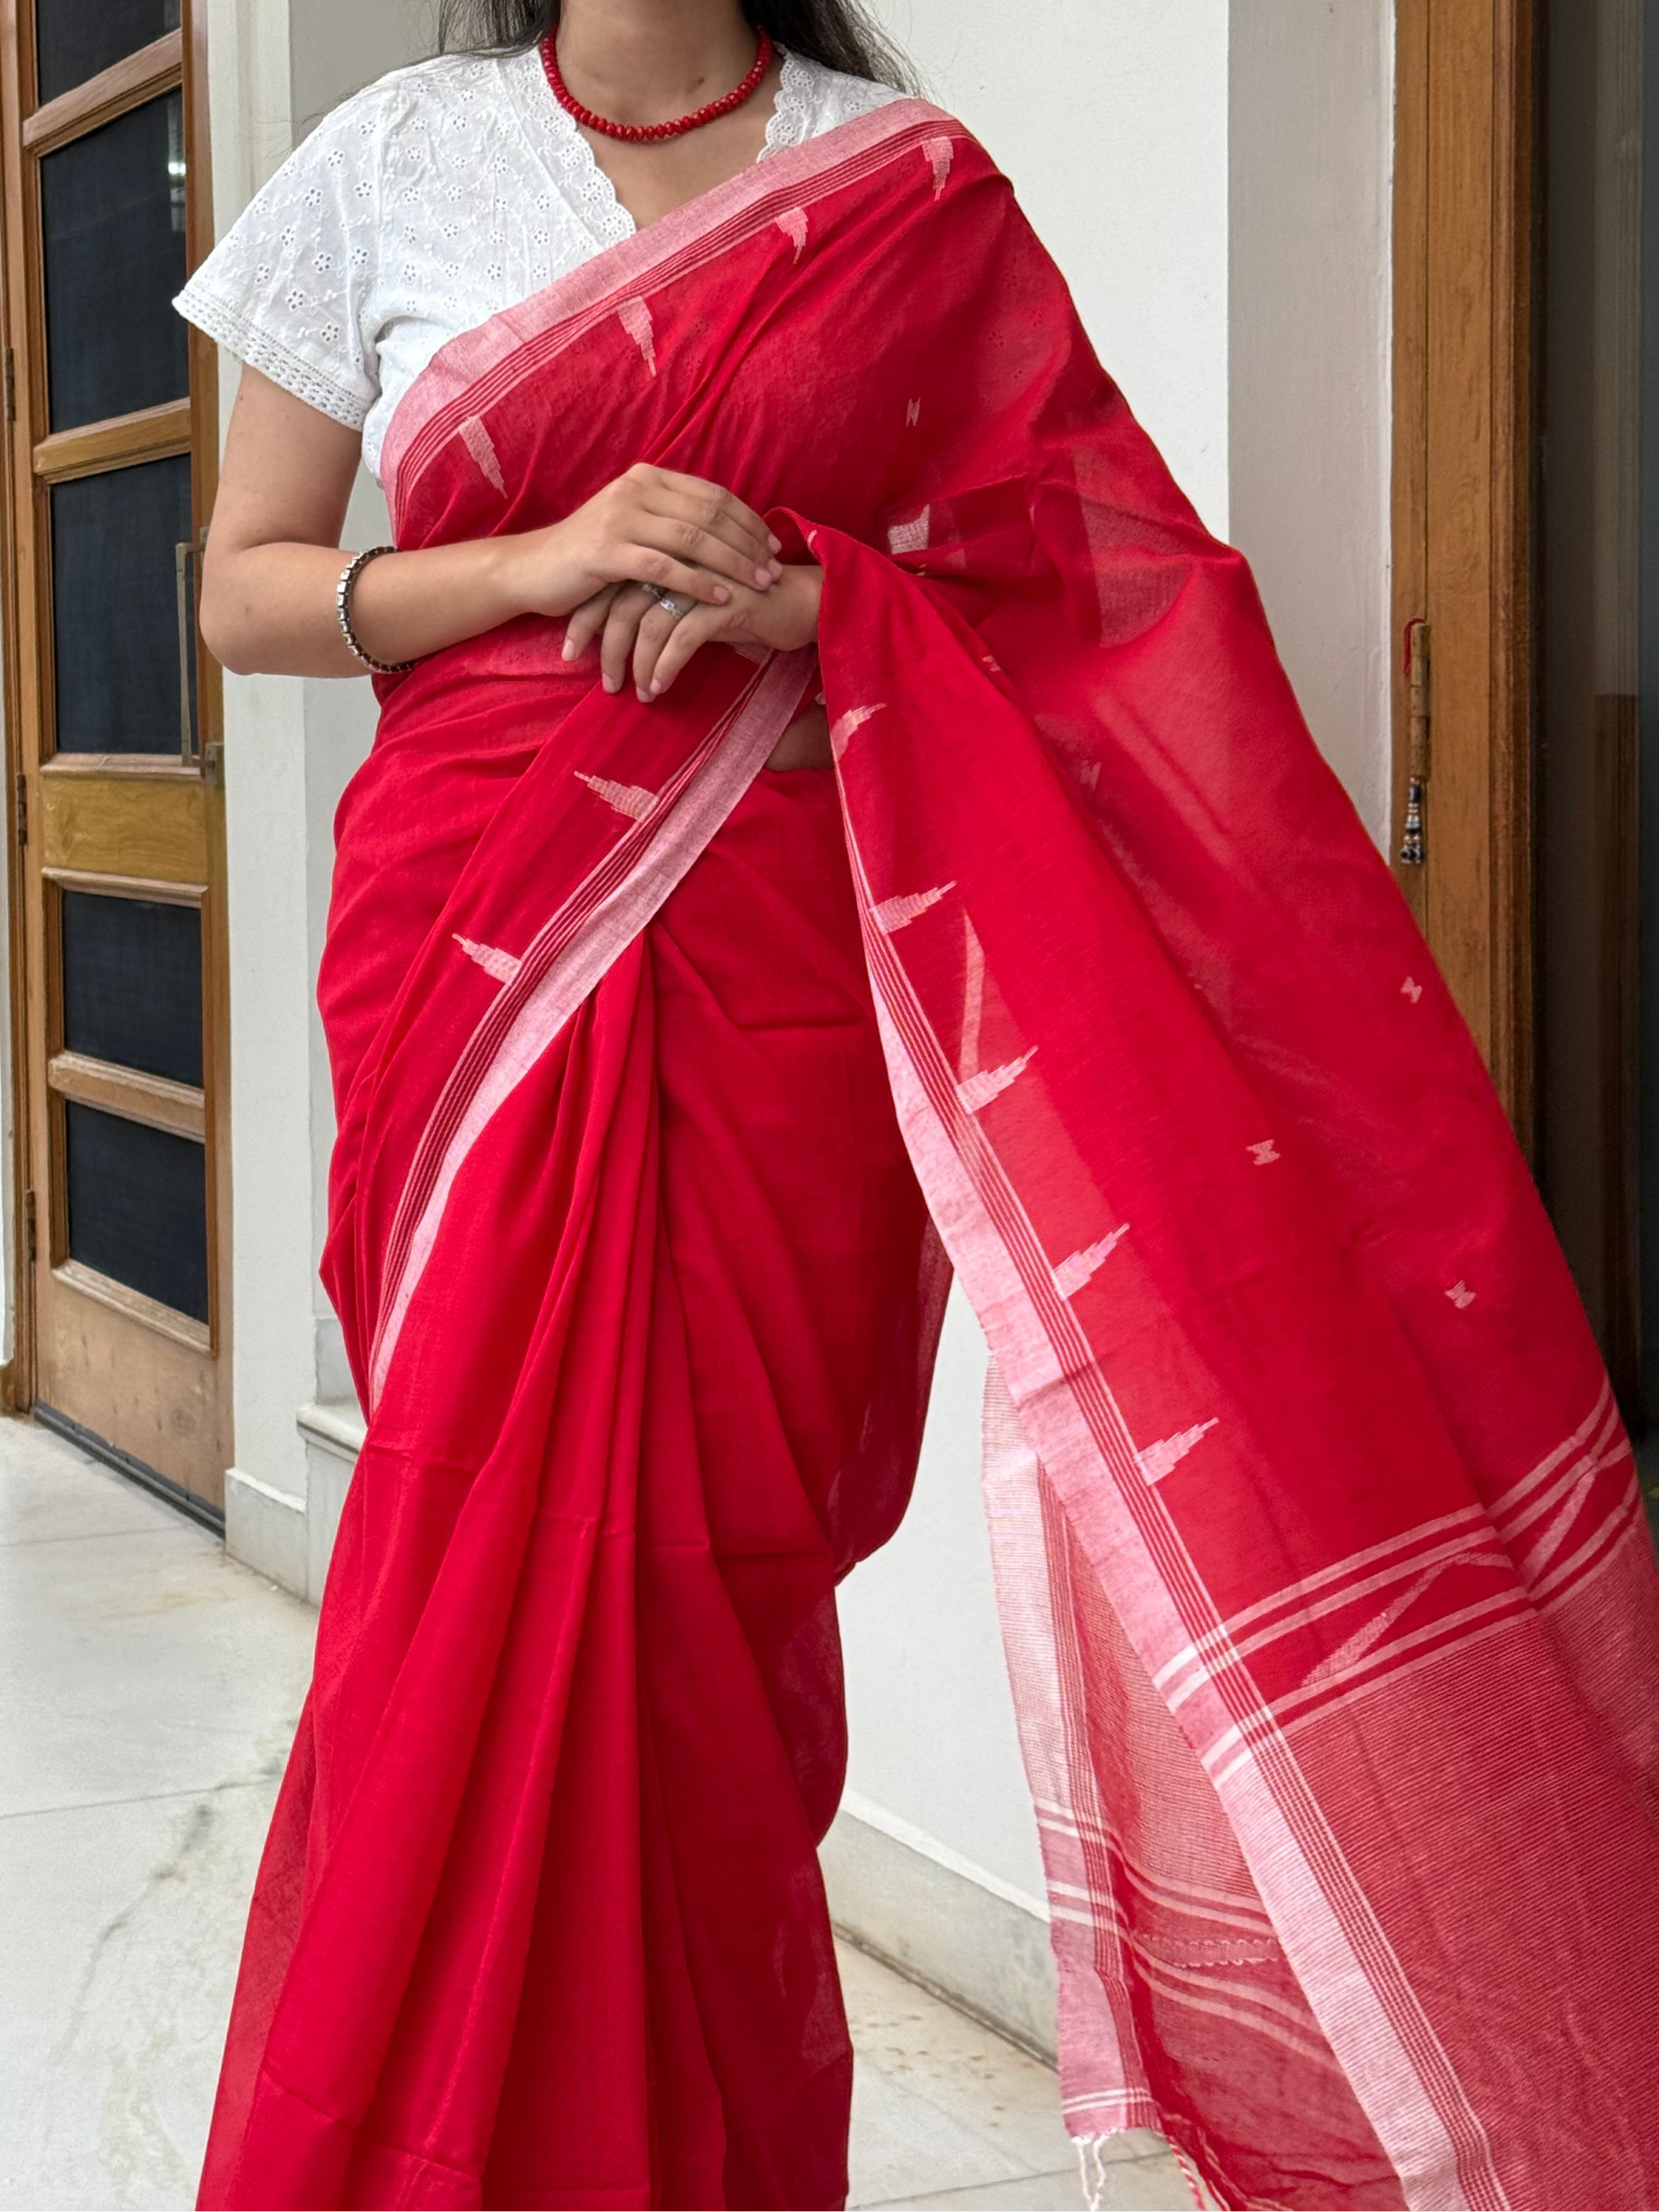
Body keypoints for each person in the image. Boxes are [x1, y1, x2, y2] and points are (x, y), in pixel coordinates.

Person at [177, 4, 1659, 2208]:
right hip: (482, 969)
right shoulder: (386, 155)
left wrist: (818, 602)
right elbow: (245, 587)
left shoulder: (906, 181)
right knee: (471, 1576)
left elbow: (1098, 591)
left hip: (787, 969)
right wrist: (537, 560)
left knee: (716, 1603)